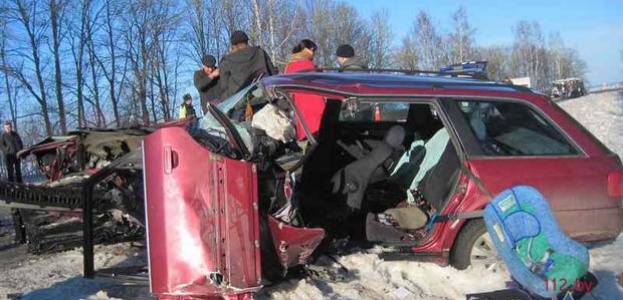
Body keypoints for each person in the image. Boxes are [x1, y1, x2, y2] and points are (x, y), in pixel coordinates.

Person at [218, 30, 278, 100]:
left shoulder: (226, 61)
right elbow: (273, 75)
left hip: (239, 103)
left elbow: (224, 88)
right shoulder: (260, 52)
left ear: (233, 46)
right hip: (264, 98)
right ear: (247, 42)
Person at [284, 39, 325, 140]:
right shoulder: (308, 66)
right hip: (315, 105)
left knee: (307, 136)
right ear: (308, 50)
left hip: (299, 107)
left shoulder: (290, 66)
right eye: (313, 51)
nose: (314, 54)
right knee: (320, 136)